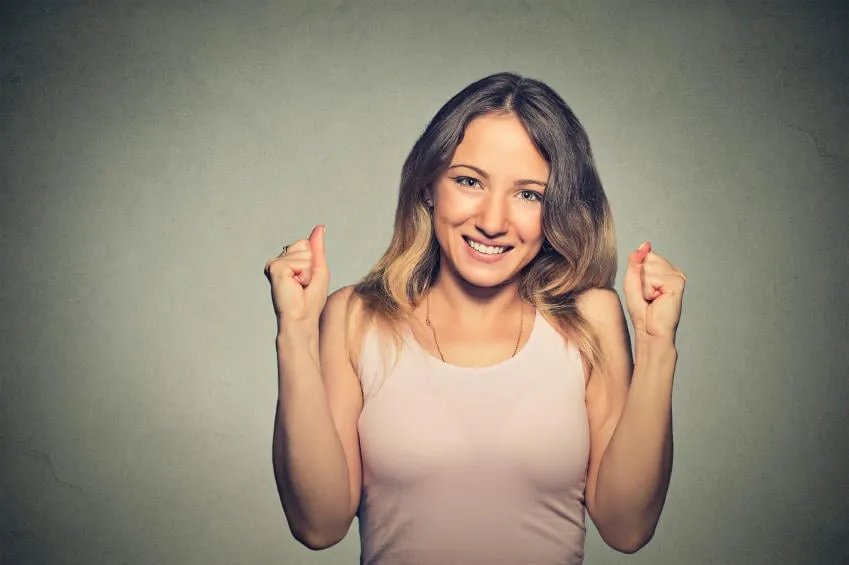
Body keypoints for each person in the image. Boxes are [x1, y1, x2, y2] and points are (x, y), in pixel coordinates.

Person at [263, 72, 686, 565]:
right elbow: (318, 525)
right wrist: (295, 333)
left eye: (528, 194)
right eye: (469, 181)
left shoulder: (591, 318)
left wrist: (657, 346)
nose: (491, 221)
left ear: (557, 208)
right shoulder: (355, 317)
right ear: (428, 186)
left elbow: (627, 527)